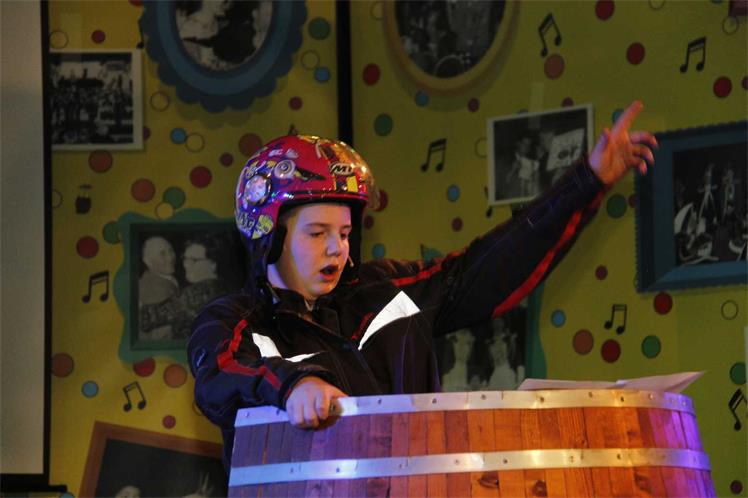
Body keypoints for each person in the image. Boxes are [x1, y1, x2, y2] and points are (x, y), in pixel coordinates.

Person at [187, 101, 657, 468]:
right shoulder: (234, 322)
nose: (337, 249)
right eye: (317, 233)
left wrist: (586, 182)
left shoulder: (386, 290)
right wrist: (293, 385)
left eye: (345, 234)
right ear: (268, 237)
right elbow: (221, 372)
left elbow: (489, 266)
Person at [139, 236, 179, 340]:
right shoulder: (152, 290)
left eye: (171, 251)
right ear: (148, 261)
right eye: (162, 254)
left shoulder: (164, 278)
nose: (170, 258)